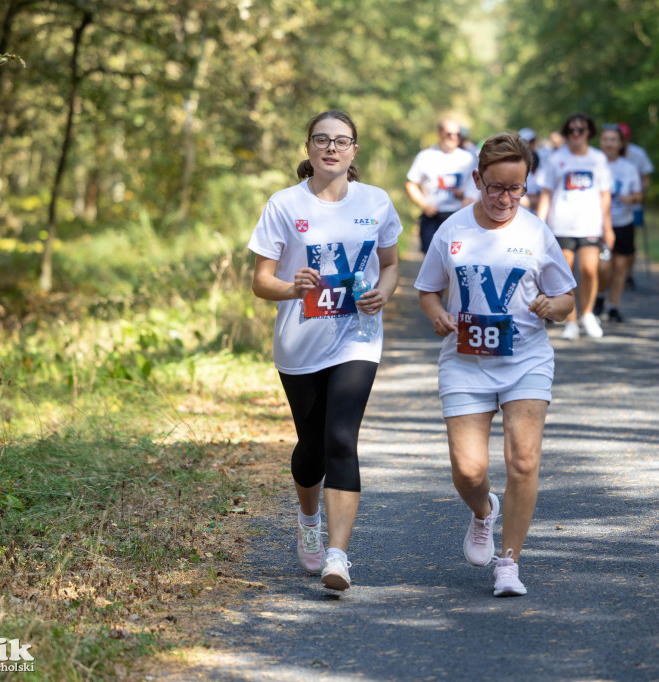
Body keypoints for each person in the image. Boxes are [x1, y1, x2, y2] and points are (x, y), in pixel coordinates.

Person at [415, 132, 576, 597]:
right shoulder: (453, 230)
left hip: (525, 358)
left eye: (516, 188)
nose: (505, 198)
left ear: (526, 184)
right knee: (468, 470)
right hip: (465, 362)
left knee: (523, 461)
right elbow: (427, 290)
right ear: (476, 180)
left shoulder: (535, 231)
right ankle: (484, 511)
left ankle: (509, 562)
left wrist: (554, 306)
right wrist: (438, 314)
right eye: (495, 187)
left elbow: (567, 297)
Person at [248, 110, 402, 591]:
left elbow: (391, 265)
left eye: (342, 141)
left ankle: (338, 555)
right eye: (322, 139)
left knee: (340, 439)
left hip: (357, 336)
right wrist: (293, 288)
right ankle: (308, 517)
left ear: (355, 150)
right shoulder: (283, 204)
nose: (331, 147)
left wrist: (386, 291)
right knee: (311, 448)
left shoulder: (376, 202)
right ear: (309, 147)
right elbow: (260, 282)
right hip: (300, 342)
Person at [536, 113, 614, 340]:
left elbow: (605, 195)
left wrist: (608, 228)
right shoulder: (556, 159)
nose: (576, 134)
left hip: (589, 224)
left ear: (589, 131)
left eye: (581, 129)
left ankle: (588, 314)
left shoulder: (598, 159)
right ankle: (571, 320)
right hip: (561, 225)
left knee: (589, 270)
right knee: (565, 273)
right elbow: (546, 194)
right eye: (571, 130)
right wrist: (540, 225)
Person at [406, 118, 479, 254]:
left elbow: (475, 187)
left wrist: (465, 197)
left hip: (458, 216)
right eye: (449, 134)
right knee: (431, 258)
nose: (454, 138)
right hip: (432, 216)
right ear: (439, 133)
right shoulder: (425, 156)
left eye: (458, 135)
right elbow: (411, 183)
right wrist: (424, 204)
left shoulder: (469, 158)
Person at [595, 123, 643, 323]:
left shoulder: (629, 167)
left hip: (623, 223)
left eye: (613, 140)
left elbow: (639, 195)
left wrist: (630, 199)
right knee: (603, 265)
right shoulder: (594, 163)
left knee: (621, 267)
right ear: (601, 142)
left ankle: (613, 306)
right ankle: (599, 295)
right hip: (598, 224)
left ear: (621, 143)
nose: (609, 144)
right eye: (606, 139)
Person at [618, 122, 654, 289]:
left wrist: (636, 195)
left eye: (624, 138)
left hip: (633, 203)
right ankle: (615, 272)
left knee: (631, 237)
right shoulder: (607, 155)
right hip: (613, 204)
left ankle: (629, 273)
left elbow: (646, 179)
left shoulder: (638, 154)